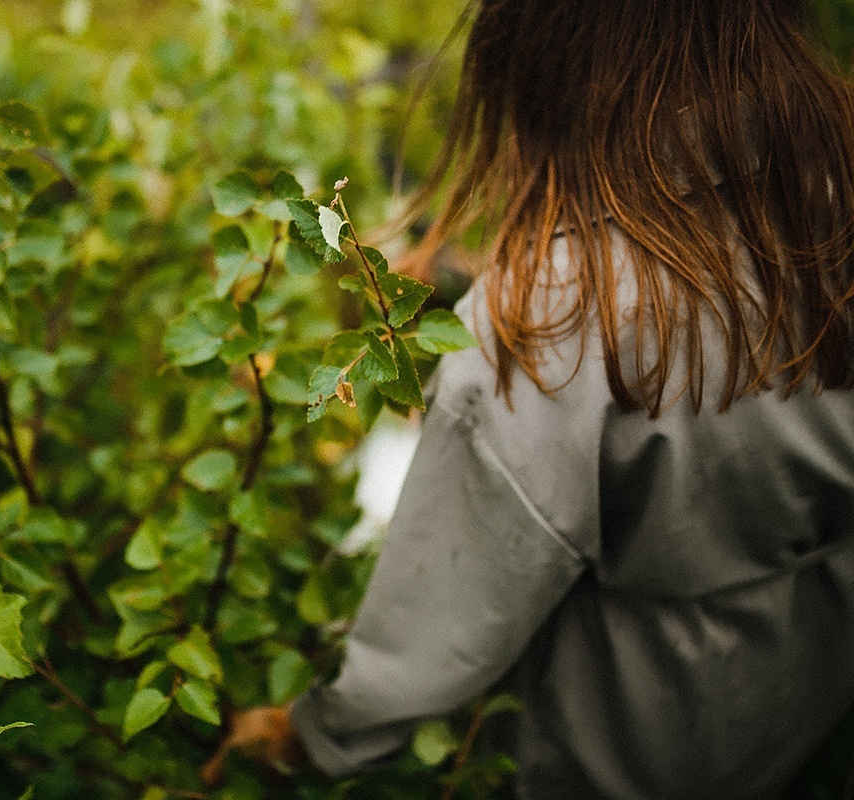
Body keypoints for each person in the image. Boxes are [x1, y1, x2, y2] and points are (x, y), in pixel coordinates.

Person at [204, 1, 854, 797]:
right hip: (813, 681)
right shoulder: (833, 183)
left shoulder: (554, 310)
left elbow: (444, 615)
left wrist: (308, 734)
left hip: (623, 734)